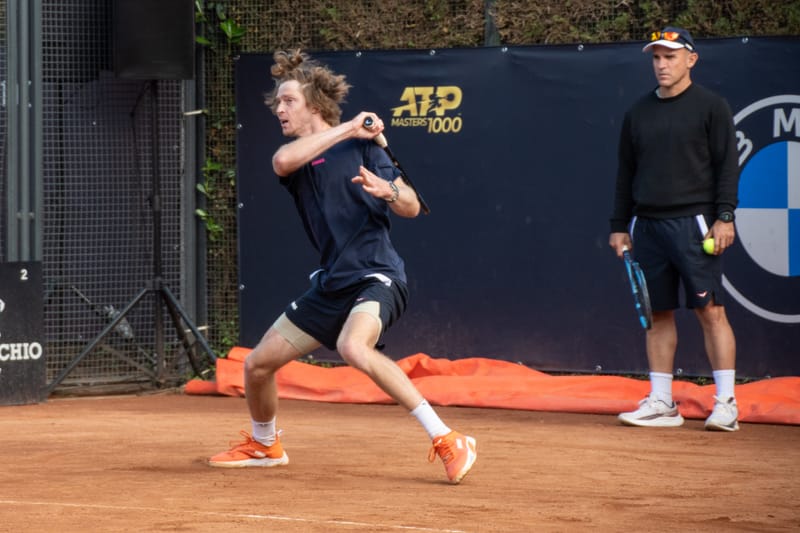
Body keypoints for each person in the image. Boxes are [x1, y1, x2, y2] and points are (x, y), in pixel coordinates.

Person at [208, 49, 477, 482]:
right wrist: (351, 127)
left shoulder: (365, 149)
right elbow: (283, 161)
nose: (279, 109)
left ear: (314, 103)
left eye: (288, 101)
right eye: (277, 103)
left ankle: (446, 437)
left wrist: (385, 190)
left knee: (354, 347)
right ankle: (264, 444)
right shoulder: (302, 154)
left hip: (377, 274)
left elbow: (411, 206)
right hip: (333, 282)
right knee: (257, 365)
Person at [608, 27, 741, 431]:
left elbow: (727, 166)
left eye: (670, 57)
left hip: (697, 224)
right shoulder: (637, 113)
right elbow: (625, 174)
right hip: (647, 226)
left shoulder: (711, 107)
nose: (662, 65)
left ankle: (727, 404)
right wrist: (619, 225)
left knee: (710, 311)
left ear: (690, 60)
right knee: (657, 314)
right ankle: (663, 402)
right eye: (656, 58)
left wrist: (725, 216)